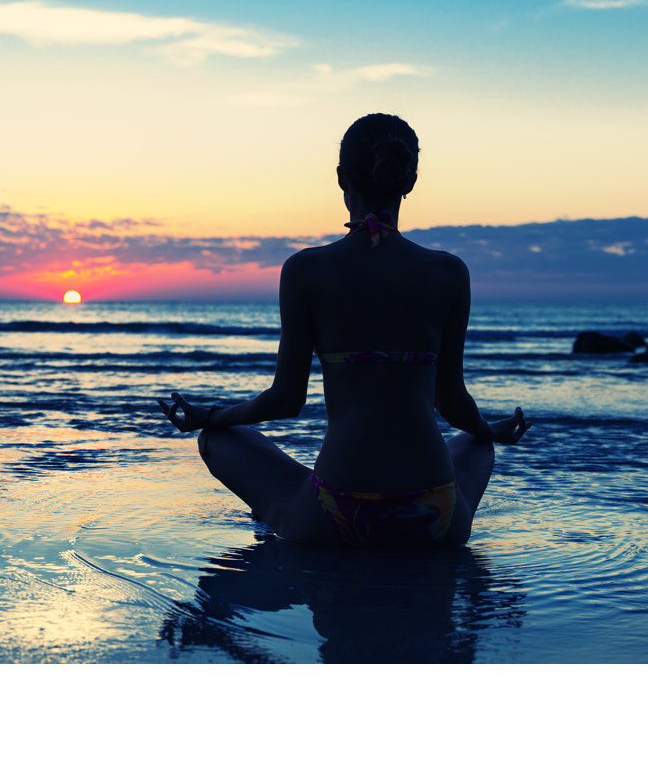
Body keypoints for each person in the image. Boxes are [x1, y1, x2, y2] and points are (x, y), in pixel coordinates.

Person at [157, 112, 530, 548]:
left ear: (340, 179)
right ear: (410, 181)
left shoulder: (306, 270)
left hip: (335, 515)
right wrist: (490, 429)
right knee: (476, 443)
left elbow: (286, 399)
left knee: (217, 440)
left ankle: (272, 514)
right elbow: (453, 404)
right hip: (436, 519)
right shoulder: (449, 272)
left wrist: (213, 416)